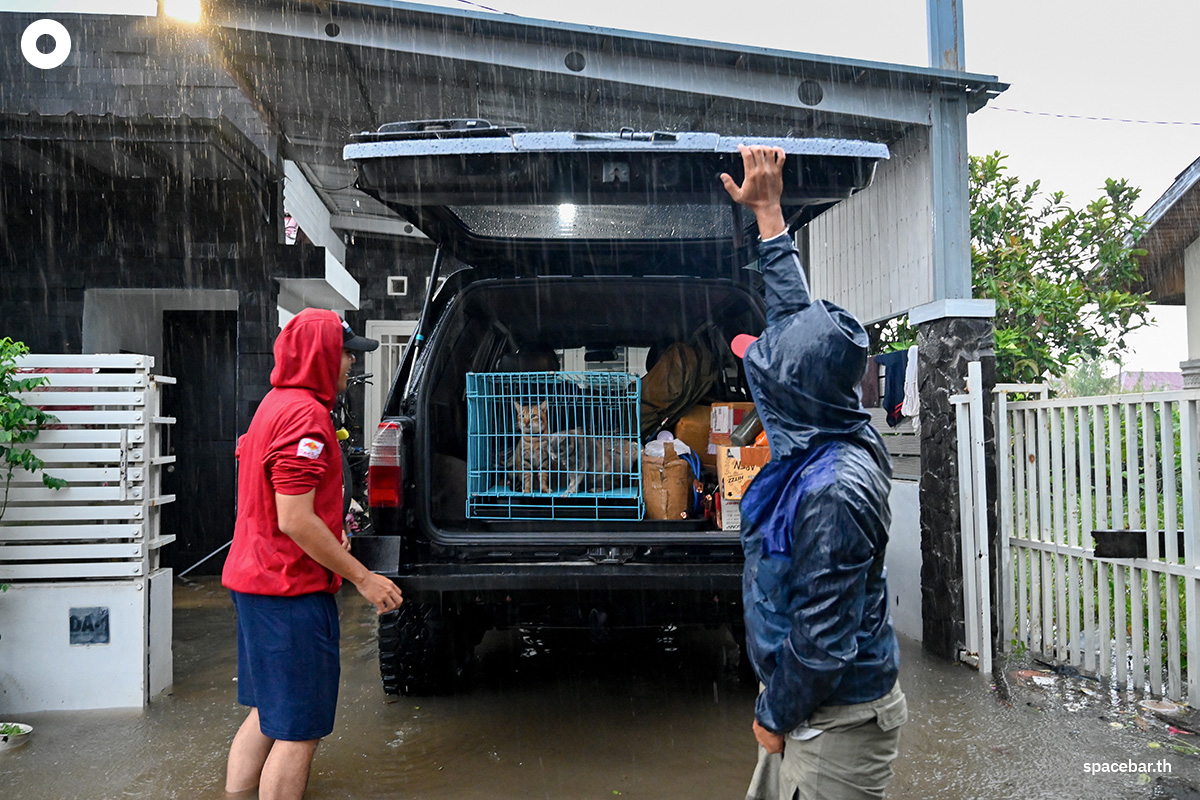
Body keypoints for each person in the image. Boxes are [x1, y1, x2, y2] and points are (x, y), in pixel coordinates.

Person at [720, 145, 906, 800]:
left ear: (790, 395)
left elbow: (824, 641)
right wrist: (769, 213)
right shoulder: (830, 415)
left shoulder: (832, 490)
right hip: (809, 707)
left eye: (763, 374)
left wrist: (773, 716)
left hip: (835, 722)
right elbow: (797, 327)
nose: (757, 384)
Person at [221, 308, 404, 800]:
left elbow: (280, 506)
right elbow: (294, 518)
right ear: (322, 354)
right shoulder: (305, 416)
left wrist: (330, 532)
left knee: (266, 713)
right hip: (288, 591)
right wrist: (362, 577)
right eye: (345, 352)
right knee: (299, 729)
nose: (350, 363)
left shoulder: (273, 404)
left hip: (254, 581)